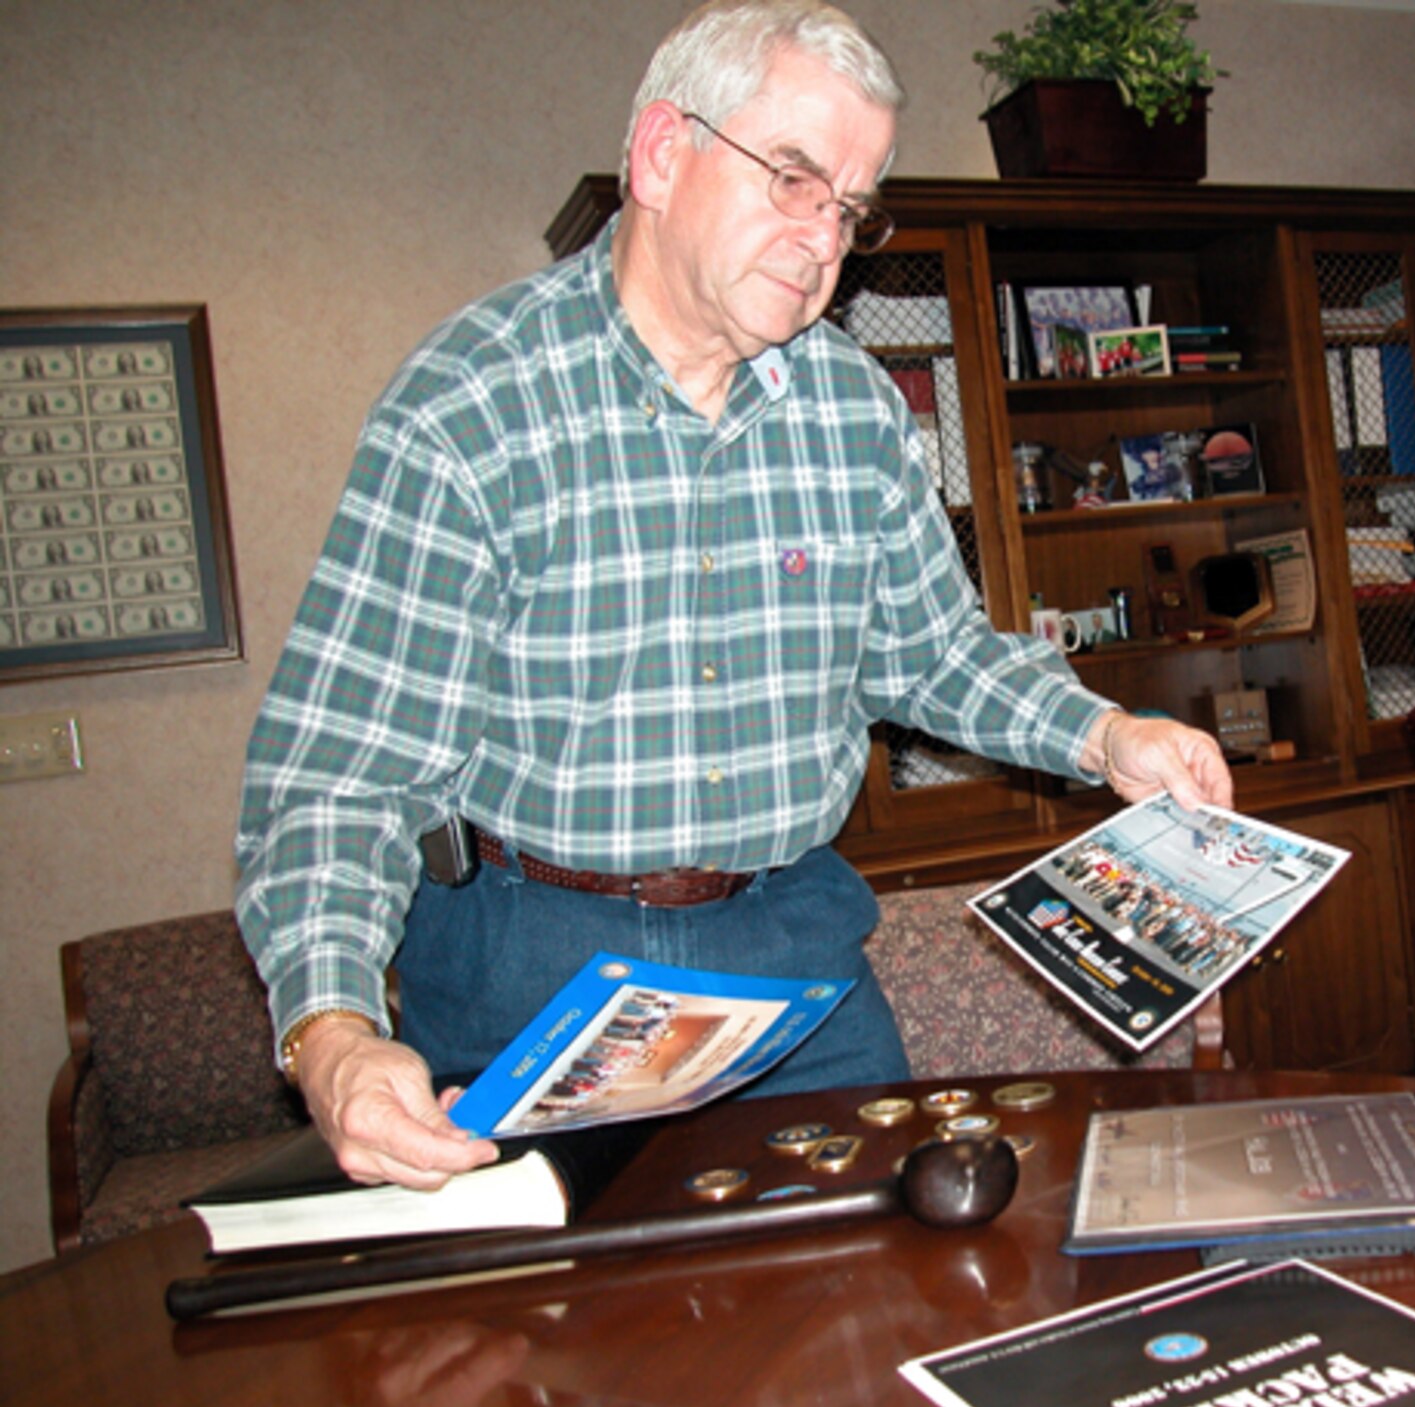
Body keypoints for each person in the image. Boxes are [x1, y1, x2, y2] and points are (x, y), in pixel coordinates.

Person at [234, 0, 1233, 1194]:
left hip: (784, 949)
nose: (824, 237)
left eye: (852, 208)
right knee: (553, 1351)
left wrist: (1107, 735)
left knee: (872, 1292)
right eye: (794, 179)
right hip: (531, 957)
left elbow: (929, 655)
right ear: (662, 154)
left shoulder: (853, 410)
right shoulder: (473, 404)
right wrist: (332, 1035)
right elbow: (344, 771)